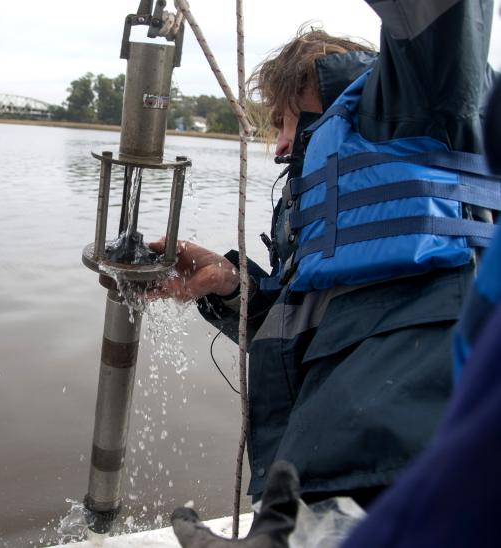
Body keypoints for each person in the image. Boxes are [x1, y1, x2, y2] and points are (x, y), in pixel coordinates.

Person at [151, 0, 500, 522]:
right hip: (325, 469)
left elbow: (439, 12)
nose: (280, 146)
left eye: (285, 120)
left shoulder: (422, 96)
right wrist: (228, 286)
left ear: (323, 89)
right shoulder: (312, 204)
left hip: (412, 459)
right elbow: (307, 330)